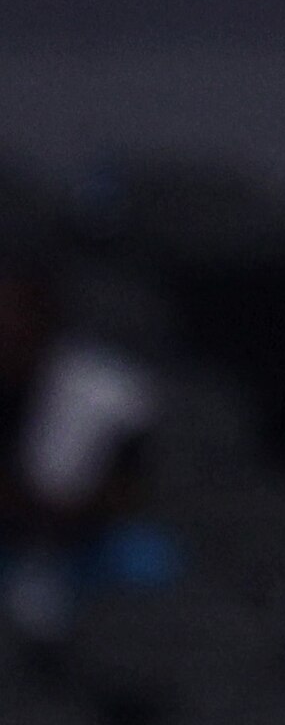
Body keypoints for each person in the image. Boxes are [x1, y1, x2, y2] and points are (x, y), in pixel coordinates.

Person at [0, 252, 160, 641]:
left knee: (150, 562)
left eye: (17, 313)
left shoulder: (108, 391)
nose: (7, 326)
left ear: (47, 317)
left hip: (85, 547)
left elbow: (126, 490)